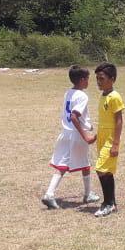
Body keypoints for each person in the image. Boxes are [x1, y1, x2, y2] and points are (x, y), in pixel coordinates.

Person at [42, 65, 100, 209]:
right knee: (84, 164)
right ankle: (52, 194)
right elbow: (74, 117)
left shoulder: (68, 92)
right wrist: (85, 135)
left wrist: (87, 124)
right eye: (87, 79)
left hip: (66, 133)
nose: (88, 82)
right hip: (76, 135)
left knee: (66, 164)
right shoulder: (82, 96)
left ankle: (85, 193)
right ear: (81, 80)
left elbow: (74, 116)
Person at [93, 62, 125, 217]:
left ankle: (108, 203)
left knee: (100, 168)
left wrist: (116, 144)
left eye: (102, 78)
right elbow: (104, 119)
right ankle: (110, 203)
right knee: (106, 172)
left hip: (111, 138)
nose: (99, 82)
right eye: (97, 79)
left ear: (112, 79)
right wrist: (96, 136)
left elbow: (119, 120)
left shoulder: (115, 97)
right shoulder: (103, 96)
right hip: (102, 136)